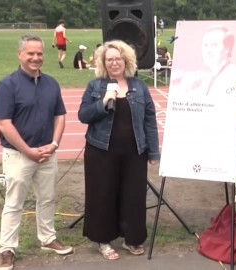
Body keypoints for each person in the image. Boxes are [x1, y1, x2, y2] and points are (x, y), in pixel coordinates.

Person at [0, 34, 72, 270]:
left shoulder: (51, 83)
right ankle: (7, 248)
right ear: (20, 55)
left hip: (47, 153)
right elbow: (4, 124)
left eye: (39, 53)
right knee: (14, 203)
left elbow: (60, 115)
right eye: (30, 53)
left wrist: (55, 144)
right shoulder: (6, 85)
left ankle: (47, 238)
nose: (36, 58)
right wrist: (27, 150)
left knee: (47, 198)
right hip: (18, 156)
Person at [78, 40, 160, 260]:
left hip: (135, 152)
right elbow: (83, 116)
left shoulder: (139, 86)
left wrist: (153, 151)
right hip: (101, 152)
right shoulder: (95, 86)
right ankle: (103, 241)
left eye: (118, 58)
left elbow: (150, 120)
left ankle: (132, 238)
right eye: (109, 59)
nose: (114, 63)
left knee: (134, 196)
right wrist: (103, 103)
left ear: (126, 60)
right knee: (102, 195)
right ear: (103, 63)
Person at [171, 24, 236, 97]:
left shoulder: (234, 77)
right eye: (205, 45)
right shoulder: (214, 75)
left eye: (214, 45)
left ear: (227, 48)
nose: (208, 50)